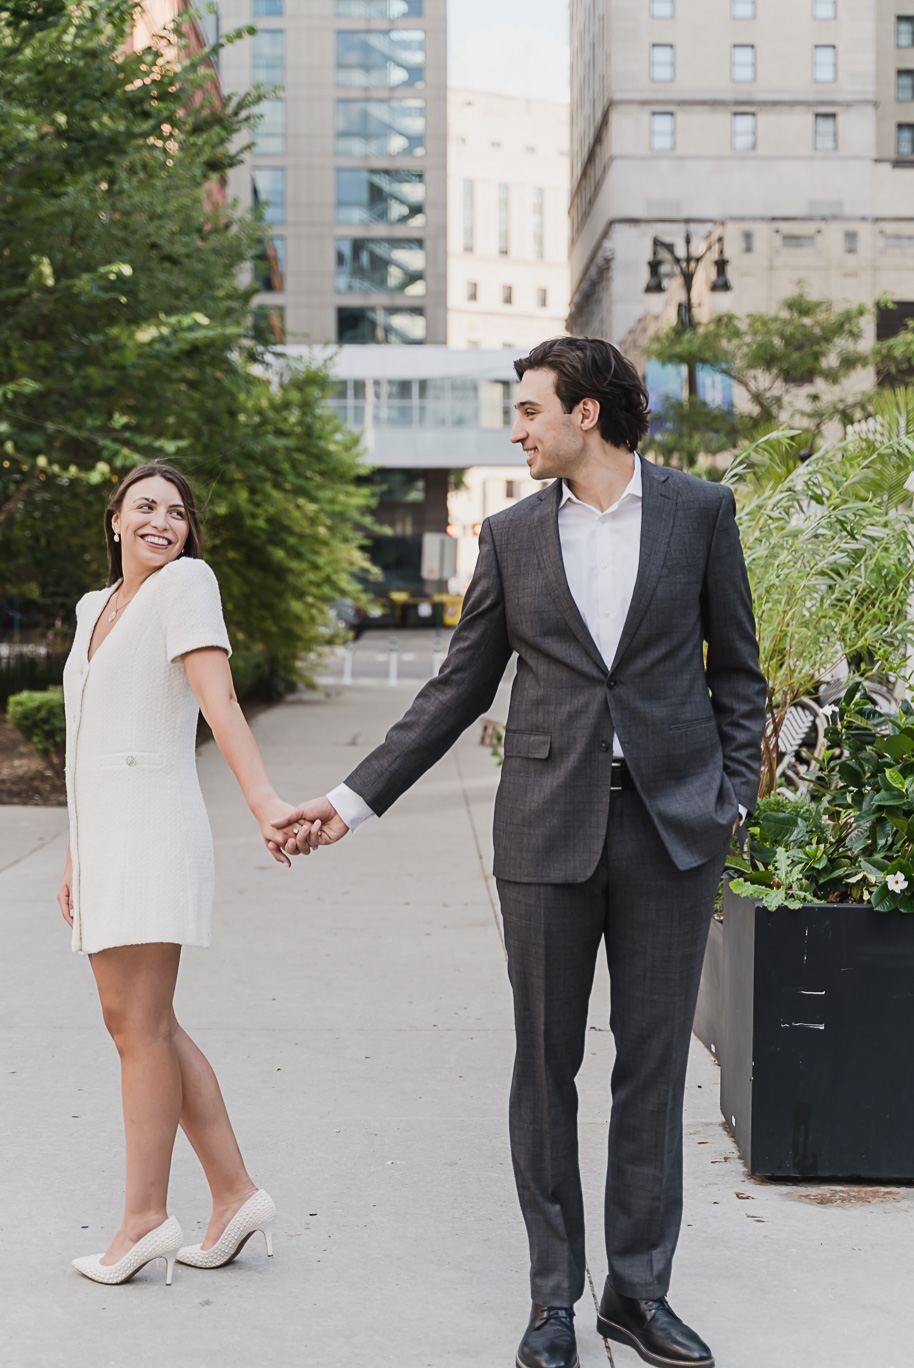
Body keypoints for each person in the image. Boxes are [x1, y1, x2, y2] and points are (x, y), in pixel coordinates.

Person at [274, 338, 767, 1368]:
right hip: (543, 831)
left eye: (529, 410)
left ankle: (635, 1295)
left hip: (671, 829)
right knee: (544, 1068)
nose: (516, 428)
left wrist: (729, 801)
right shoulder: (506, 536)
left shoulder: (698, 513)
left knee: (650, 1069)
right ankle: (553, 1301)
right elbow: (454, 689)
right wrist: (347, 801)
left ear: (585, 413)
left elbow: (738, 677)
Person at [60, 462, 298, 1286]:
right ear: (114, 521)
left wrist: (264, 801)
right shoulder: (95, 609)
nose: (163, 521)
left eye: (177, 512)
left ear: (189, 531)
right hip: (106, 838)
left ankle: (143, 1220)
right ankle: (232, 1192)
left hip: (154, 829)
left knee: (140, 1027)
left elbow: (219, 702)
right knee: (141, 1023)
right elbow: (86, 740)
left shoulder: (186, 584)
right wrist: (72, 853)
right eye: (146, 508)